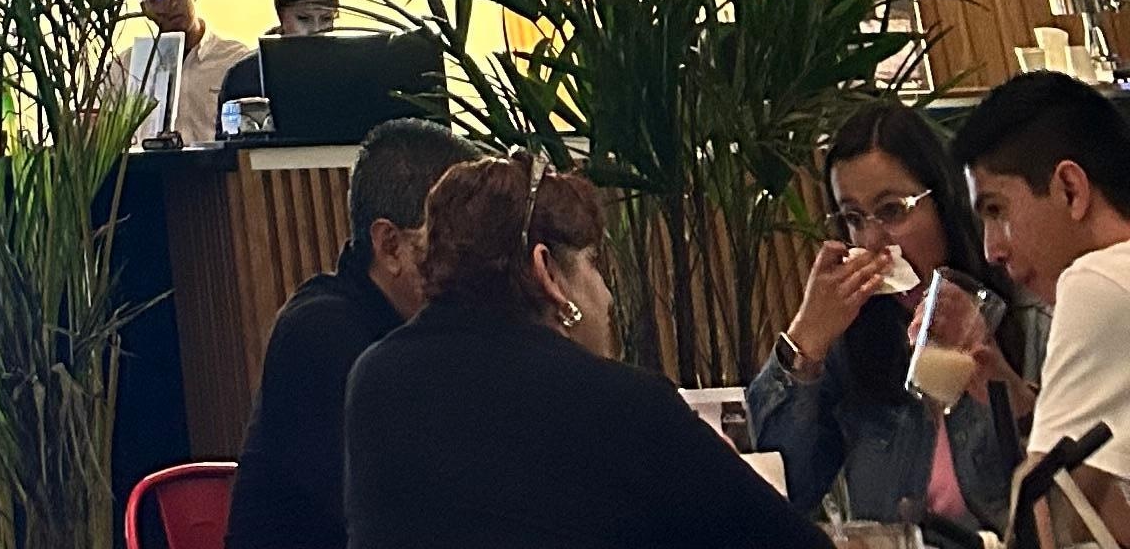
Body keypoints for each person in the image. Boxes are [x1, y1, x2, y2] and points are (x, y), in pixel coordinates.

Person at [344, 150, 821, 548]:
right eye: (593, 263)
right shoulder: (623, 403)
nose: (607, 296)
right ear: (547, 272)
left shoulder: (375, 378)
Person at [748, 96, 1031, 541]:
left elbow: (1078, 483)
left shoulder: (1024, 313)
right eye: (853, 218)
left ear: (945, 201)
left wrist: (1003, 383)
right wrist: (805, 341)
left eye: (893, 210)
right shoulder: (851, 341)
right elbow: (782, 487)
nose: (873, 240)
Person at [227, 116, 465, 549]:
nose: (476, 265)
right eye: (456, 245)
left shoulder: (436, 327)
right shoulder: (321, 335)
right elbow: (395, 517)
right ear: (390, 245)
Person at [958, 71, 1130, 542]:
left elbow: (1042, 519)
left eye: (996, 210)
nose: (991, 250)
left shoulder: (1098, 281)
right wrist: (1024, 404)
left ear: (1070, 189)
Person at [134, 0, 251, 151]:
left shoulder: (236, 60)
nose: (171, 2)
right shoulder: (127, 69)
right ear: (145, 9)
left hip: (219, 168)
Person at [222, 0, 348, 130]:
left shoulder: (347, 70)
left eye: (326, 19)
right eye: (303, 18)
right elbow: (230, 138)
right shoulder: (247, 74)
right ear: (281, 16)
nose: (316, 29)